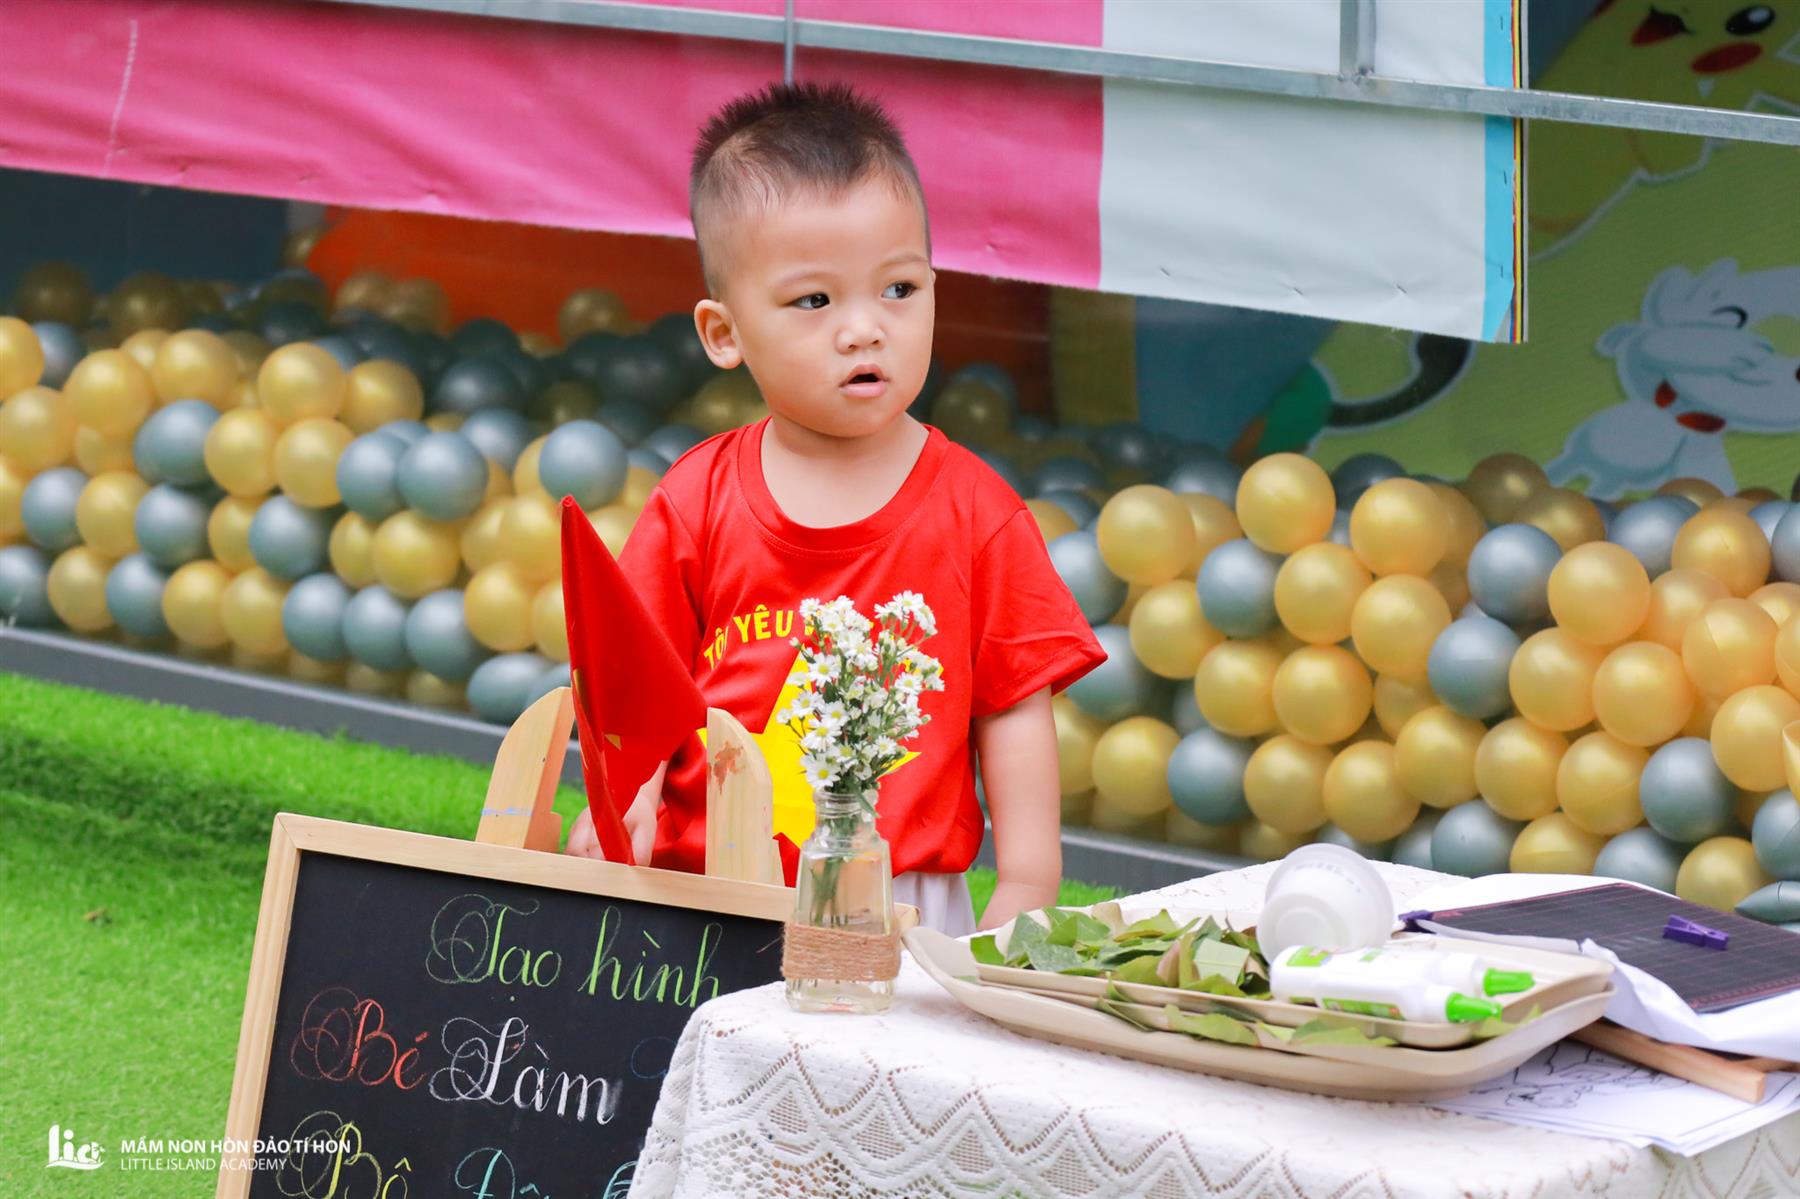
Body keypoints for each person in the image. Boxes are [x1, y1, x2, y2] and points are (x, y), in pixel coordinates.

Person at [564, 81, 1105, 935]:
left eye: (900, 288)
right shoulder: (697, 500)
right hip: (706, 886)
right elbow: (636, 685)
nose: (865, 329)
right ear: (725, 333)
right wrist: (618, 805)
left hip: (899, 898)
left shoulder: (978, 512)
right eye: (815, 301)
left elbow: (1012, 705)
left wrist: (1030, 876)